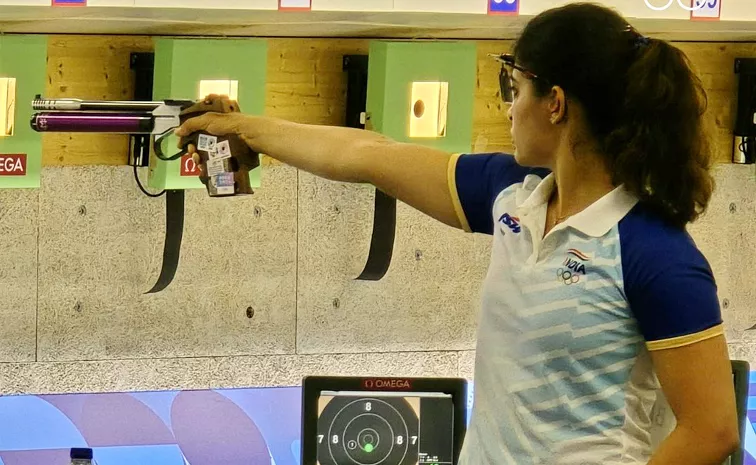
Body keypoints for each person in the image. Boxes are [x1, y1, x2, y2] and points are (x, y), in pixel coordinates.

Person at [176, 3, 740, 463]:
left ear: (556, 105)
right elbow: (369, 154)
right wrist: (243, 128)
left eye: (515, 89)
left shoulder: (656, 254)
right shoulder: (513, 194)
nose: (509, 108)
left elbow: (712, 430)